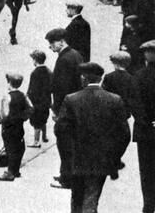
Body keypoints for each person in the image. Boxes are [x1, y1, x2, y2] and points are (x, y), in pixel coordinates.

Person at [56, 62, 130, 213]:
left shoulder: (71, 99)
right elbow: (124, 135)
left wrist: (67, 157)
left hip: (77, 158)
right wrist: (114, 156)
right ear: (101, 78)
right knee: (92, 196)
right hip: (102, 159)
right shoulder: (114, 100)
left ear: (83, 78)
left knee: (77, 197)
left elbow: (61, 131)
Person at [45, 28, 84, 189]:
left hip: (66, 110)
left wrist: (56, 109)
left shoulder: (64, 59)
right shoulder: (76, 54)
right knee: (72, 144)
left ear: (61, 41)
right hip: (76, 106)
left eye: (52, 43)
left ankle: (67, 178)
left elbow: (62, 88)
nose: (50, 47)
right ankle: (67, 173)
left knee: (65, 144)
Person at [128, 40, 155, 213]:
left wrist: (147, 122)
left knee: (147, 172)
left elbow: (135, 104)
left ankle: (149, 205)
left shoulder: (139, 76)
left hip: (146, 132)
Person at [0, 73, 34, 181]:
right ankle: (15, 170)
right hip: (19, 126)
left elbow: (5, 114)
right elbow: (31, 108)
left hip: (8, 127)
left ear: (9, 83)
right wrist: (22, 117)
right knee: (19, 147)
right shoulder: (23, 95)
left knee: (10, 148)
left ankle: (10, 172)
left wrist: (3, 120)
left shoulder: (7, 97)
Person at [27, 50, 52, 148]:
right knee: (44, 119)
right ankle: (44, 137)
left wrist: (28, 97)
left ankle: (36, 141)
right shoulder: (49, 71)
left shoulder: (35, 73)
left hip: (37, 102)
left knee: (36, 122)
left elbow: (32, 89)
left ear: (35, 60)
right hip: (46, 100)